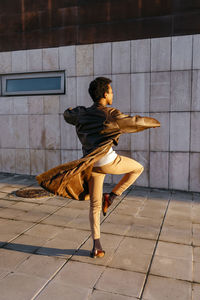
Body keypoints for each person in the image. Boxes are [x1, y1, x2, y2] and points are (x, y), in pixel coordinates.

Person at [37, 77, 160, 258]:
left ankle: (97, 245)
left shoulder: (83, 113)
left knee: (95, 205)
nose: (113, 94)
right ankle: (112, 196)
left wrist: (79, 111)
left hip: (90, 164)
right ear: (104, 93)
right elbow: (135, 122)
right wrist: (155, 122)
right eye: (111, 91)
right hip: (107, 162)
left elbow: (67, 114)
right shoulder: (110, 113)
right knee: (138, 168)